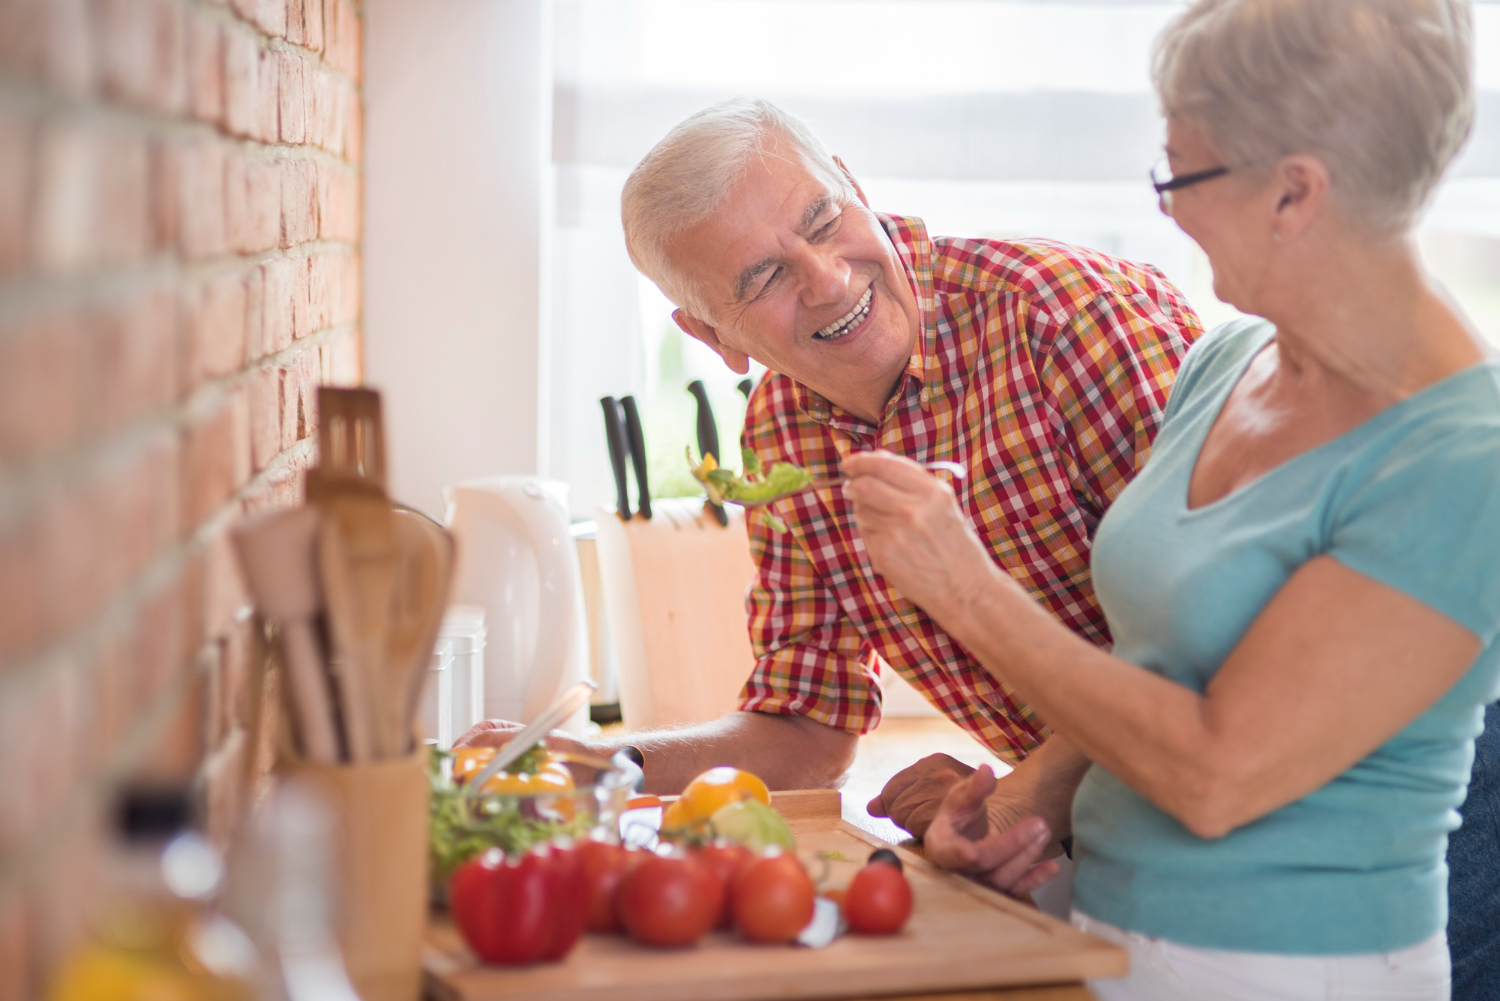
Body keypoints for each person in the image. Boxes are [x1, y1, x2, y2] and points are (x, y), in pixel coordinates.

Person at [843, 0, 1498, 997]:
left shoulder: (1461, 458)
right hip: (1112, 929)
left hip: (1297, 968)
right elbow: (1154, 670)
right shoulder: (1226, 361)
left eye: (1181, 172)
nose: (1168, 207)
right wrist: (1026, 810)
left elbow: (1215, 773)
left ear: (1294, 191)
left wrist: (963, 583)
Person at [456, 98, 1199, 891]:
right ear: (715, 336)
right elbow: (810, 726)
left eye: (820, 220)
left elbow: (1210, 621)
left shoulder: (1066, 319)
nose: (828, 278)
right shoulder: (780, 434)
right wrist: (608, 763)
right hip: (1120, 840)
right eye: (765, 276)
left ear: (853, 184)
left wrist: (1023, 799)